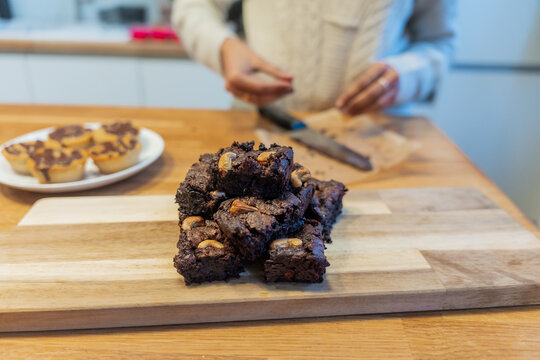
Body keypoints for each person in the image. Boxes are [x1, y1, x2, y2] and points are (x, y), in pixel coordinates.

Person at [172, 0, 456, 115]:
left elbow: (439, 42)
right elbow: (193, 6)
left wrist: (407, 75)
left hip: (374, 135)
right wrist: (224, 46)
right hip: (259, 125)